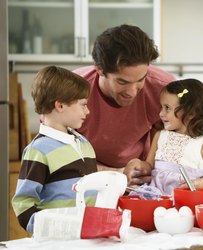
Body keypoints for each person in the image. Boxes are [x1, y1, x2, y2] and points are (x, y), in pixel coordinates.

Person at [73, 24, 175, 187]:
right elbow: (59, 157)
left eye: (141, 79)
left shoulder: (165, 89)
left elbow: (174, 139)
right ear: (99, 69)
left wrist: (152, 169)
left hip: (138, 181)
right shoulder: (71, 89)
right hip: (85, 180)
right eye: (122, 81)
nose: (133, 92)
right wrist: (118, 174)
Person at [12, 66, 97, 233]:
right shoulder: (38, 151)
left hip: (86, 236)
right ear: (60, 105)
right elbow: (23, 204)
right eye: (83, 105)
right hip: (56, 241)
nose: (88, 111)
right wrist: (49, 230)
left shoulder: (84, 143)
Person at [130, 78, 203, 197]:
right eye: (161, 107)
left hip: (187, 199)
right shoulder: (160, 135)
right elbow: (149, 165)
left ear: (191, 113)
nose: (161, 113)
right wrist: (138, 165)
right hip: (157, 197)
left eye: (167, 108)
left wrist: (199, 183)